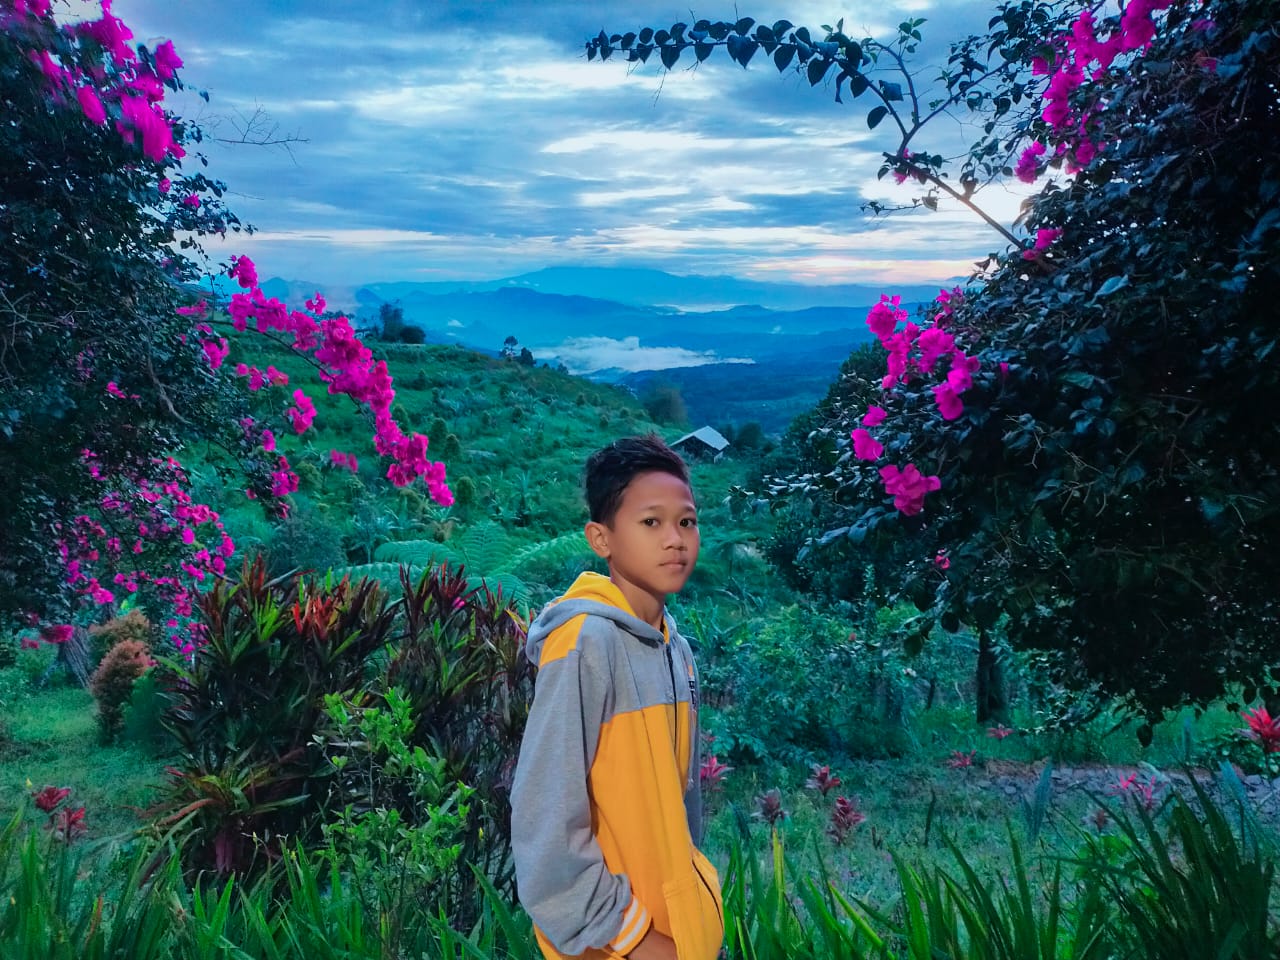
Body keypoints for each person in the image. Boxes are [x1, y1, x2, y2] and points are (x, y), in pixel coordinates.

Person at [511, 434, 723, 960]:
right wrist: (641, 942)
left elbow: (680, 814)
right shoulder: (584, 643)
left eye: (687, 522)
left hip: (680, 933)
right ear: (601, 539)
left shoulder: (677, 650)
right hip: (617, 945)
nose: (675, 540)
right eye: (651, 522)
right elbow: (544, 823)